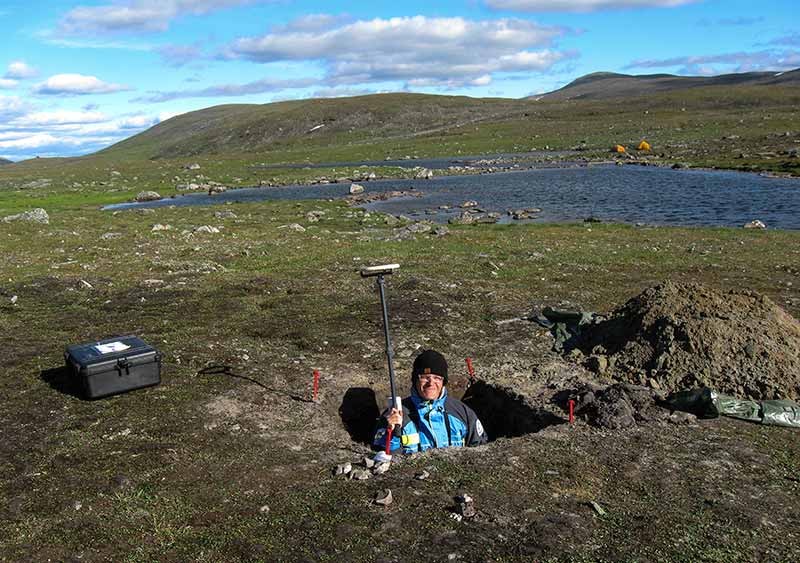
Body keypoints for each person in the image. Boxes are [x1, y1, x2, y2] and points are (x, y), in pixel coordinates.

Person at [373, 350, 487, 454]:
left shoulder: (462, 412)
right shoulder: (394, 415)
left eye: (437, 378)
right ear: (415, 380)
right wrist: (391, 433)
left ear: (443, 382)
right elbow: (382, 455)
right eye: (425, 377)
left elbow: (481, 449)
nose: (431, 383)